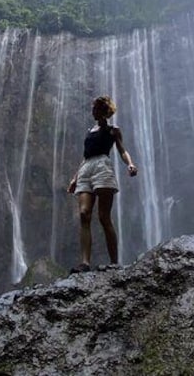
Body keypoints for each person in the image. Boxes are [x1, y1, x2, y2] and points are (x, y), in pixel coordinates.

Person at [67, 95, 138, 273]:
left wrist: (129, 163)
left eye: (95, 108)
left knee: (104, 217)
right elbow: (85, 156)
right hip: (86, 169)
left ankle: (114, 262)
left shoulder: (113, 130)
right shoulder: (89, 131)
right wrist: (75, 178)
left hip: (102, 166)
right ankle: (84, 263)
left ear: (103, 110)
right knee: (84, 214)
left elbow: (122, 150)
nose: (92, 111)